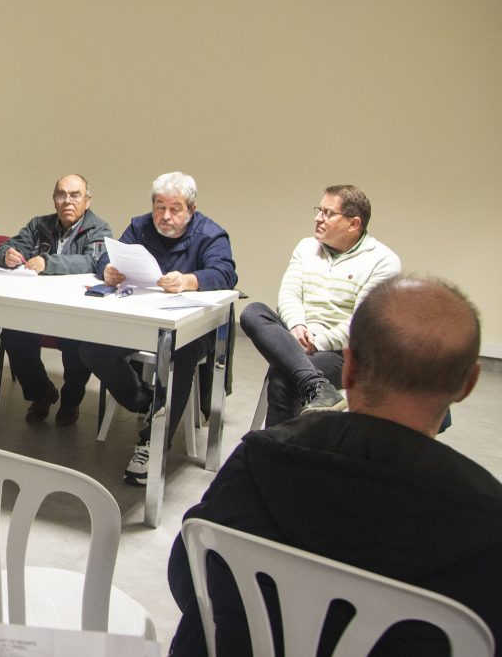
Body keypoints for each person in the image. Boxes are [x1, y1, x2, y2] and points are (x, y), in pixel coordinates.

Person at [167, 277, 499, 657]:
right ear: (467, 385)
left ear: (349, 367)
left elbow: (187, 576)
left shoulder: (260, 458)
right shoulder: (487, 517)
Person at [78, 172, 237, 485]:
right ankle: (146, 401)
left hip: (194, 326)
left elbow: (226, 274)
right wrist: (107, 270)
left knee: (178, 358)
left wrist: (190, 281)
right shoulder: (140, 226)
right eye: (159, 207)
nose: (165, 216)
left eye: (175, 209)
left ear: (191, 210)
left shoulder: (210, 234)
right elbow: (108, 259)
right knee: (90, 348)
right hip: (141, 317)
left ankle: (153, 441)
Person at [240, 185, 400, 427]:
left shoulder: (383, 261)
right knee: (253, 311)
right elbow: (289, 294)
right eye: (319, 210)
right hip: (300, 336)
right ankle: (316, 384)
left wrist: (316, 343)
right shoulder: (306, 247)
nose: (318, 218)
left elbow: (362, 323)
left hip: (345, 351)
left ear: (353, 223)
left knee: (284, 377)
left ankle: (276, 455)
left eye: (328, 213)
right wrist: (296, 326)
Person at [0, 174, 112, 425]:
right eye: (61, 194)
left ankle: (70, 402)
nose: (67, 201)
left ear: (87, 200)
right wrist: (7, 255)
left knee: (75, 346)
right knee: (13, 336)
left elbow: (92, 261)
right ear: (54, 199)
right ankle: (42, 393)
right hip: (37, 304)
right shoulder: (39, 224)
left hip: (76, 309)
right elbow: (9, 246)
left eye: (75, 195)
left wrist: (49, 262)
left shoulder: (99, 228)